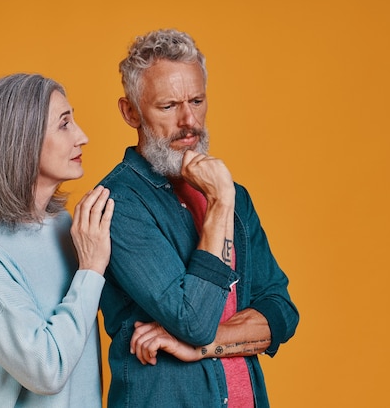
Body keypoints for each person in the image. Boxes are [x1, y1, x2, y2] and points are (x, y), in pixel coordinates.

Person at [98, 29, 299, 407]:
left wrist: (201, 347)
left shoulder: (235, 195)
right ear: (130, 112)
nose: (189, 121)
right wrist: (220, 203)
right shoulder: (118, 203)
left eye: (197, 100)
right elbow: (192, 319)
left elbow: (282, 312)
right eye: (168, 105)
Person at [0, 73, 115, 407]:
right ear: (20, 140)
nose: (83, 136)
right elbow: (45, 370)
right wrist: (92, 269)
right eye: (64, 124)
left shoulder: (68, 228)